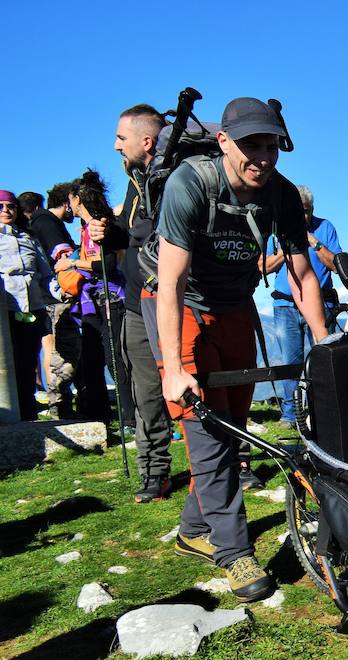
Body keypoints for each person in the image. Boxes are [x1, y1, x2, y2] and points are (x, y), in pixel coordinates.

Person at [149, 96, 329, 602]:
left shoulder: (283, 195)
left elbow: (300, 273)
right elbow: (171, 281)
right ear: (225, 141)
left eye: (272, 146)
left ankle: (193, 528)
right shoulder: (192, 184)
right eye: (252, 145)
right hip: (178, 306)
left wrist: (325, 344)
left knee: (232, 423)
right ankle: (233, 551)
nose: (263, 157)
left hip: (234, 308)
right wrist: (175, 367)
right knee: (203, 422)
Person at [85, 102, 177, 502]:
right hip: (140, 303)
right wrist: (111, 231)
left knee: (197, 385)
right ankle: (154, 472)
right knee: (145, 392)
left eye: (121, 138)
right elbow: (133, 234)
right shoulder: (134, 180)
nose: (115, 146)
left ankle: (232, 463)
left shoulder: (179, 177)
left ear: (146, 140)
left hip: (180, 300)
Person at [262, 184, 341, 425]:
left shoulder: (325, 227)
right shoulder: (275, 231)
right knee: (289, 361)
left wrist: (314, 243)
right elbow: (263, 266)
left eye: (305, 211)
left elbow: (337, 264)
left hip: (322, 302)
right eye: (297, 211)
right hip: (284, 306)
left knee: (323, 355)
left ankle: (325, 408)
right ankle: (290, 414)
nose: (302, 216)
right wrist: (287, 248)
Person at [60, 170, 123, 424]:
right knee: (94, 358)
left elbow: (107, 264)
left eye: (70, 199)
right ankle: (100, 415)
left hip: (110, 297)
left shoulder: (100, 225)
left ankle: (128, 418)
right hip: (91, 302)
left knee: (114, 358)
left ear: (77, 199)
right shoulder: (86, 228)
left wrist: (72, 265)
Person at [0, 189, 54, 421]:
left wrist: (64, 293)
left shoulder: (29, 238)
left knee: (28, 360)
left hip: (32, 308)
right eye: (1, 206)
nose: (6, 210)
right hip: (6, 310)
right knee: (7, 364)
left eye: (10, 206)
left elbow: (46, 274)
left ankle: (27, 410)